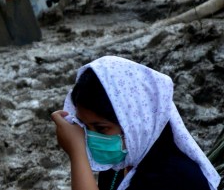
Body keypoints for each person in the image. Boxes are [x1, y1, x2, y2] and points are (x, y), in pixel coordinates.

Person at [51, 55, 220, 190]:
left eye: (100, 129)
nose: (87, 137)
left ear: (135, 125)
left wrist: (77, 153)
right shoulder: (119, 165)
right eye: (84, 127)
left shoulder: (175, 177)